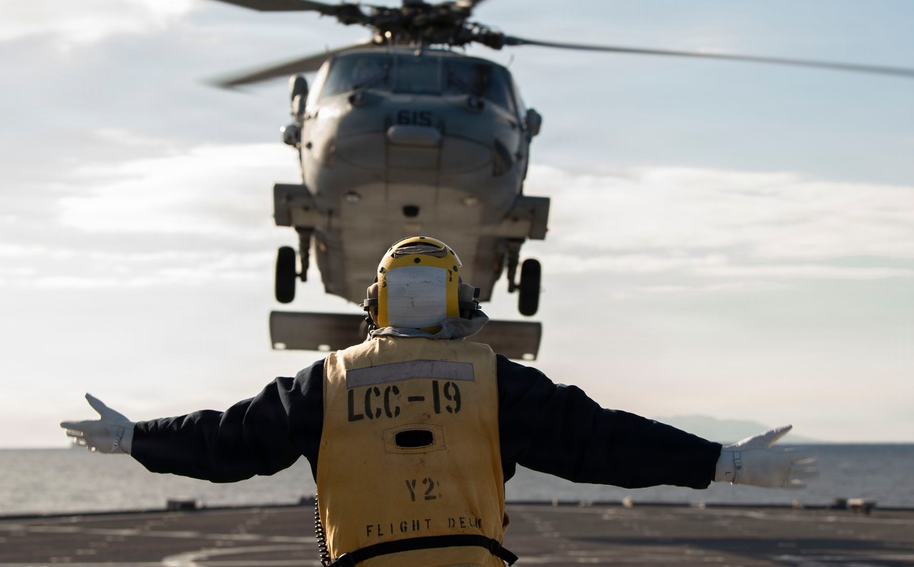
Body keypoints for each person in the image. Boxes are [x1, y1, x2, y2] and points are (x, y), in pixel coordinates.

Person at [62, 236, 817, 567]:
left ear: (376, 300)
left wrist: (138, 439)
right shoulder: (494, 377)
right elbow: (597, 442)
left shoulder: (326, 381)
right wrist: (721, 462)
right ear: (461, 298)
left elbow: (232, 442)